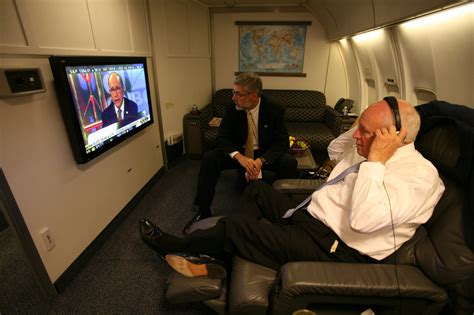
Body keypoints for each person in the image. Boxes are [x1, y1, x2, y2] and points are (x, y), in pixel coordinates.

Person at [140, 98, 445, 279]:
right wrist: (359, 130)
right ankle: (225, 261)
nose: (357, 138)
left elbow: (363, 220)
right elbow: (336, 150)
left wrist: (376, 159)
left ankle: (177, 244)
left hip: (334, 248)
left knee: (235, 227)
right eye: (361, 129)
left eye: (365, 132)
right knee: (258, 189)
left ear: (396, 135)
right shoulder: (365, 148)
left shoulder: (420, 177)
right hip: (310, 216)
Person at [184, 72, 298, 233]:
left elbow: (281, 142)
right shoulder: (232, 107)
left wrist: (260, 161)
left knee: (289, 162)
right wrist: (239, 157)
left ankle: (283, 210)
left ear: (253, 95)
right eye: (233, 92)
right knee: (210, 158)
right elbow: (222, 138)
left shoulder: (275, 108)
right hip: (240, 152)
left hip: (263, 152)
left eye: (237, 93)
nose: (233, 98)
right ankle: (203, 210)